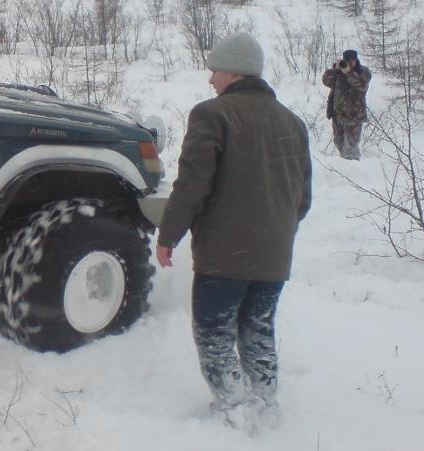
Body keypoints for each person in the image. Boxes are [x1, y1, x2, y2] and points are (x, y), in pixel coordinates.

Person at [155, 33, 312, 425]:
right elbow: (303, 199)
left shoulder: (212, 114)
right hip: (273, 257)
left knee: (214, 334)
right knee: (258, 331)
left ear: (234, 71)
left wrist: (169, 235)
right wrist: (274, 231)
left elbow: (192, 185)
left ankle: (232, 409)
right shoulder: (293, 123)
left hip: (224, 258)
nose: (211, 79)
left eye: (215, 71)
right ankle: (264, 405)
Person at [322, 48, 372, 160]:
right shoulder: (340, 72)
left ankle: (353, 166)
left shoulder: (363, 72)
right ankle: (344, 165)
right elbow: (326, 81)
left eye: (352, 60)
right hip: (338, 114)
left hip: (355, 116)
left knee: (351, 146)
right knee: (338, 142)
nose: (350, 63)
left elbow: (361, 86)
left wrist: (349, 73)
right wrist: (335, 70)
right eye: (348, 60)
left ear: (356, 60)